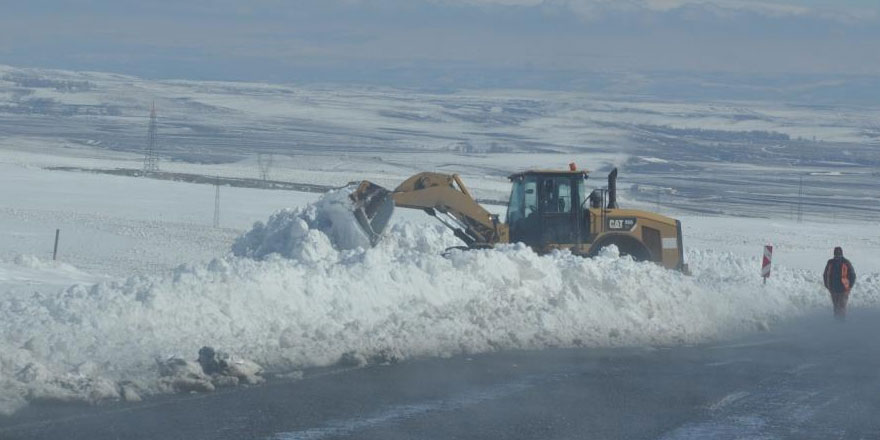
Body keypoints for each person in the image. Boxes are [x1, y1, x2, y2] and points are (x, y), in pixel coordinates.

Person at [823, 247, 856, 320]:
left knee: (842, 307)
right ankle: (836, 322)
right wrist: (827, 285)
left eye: (838, 253)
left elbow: (852, 275)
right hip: (833, 289)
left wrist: (849, 286)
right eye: (836, 253)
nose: (837, 255)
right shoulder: (830, 262)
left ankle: (841, 323)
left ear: (841, 253)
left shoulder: (846, 262)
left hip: (844, 290)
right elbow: (825, 274)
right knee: (836, 307)